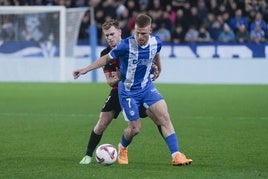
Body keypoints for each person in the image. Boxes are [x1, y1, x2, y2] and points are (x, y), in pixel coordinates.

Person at [73, 14, 192, 166]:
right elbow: (106, 60)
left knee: (164, 117)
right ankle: (122, 147)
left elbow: (156, 52)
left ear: (150, 30)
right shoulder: (125, 45)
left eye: (143, 33)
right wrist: (85, 69)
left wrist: (159, 68)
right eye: (137, 33)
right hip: (127, 92)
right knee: (135, 129)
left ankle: (176, 155)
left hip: (147, 87)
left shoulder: (157, 42)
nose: (140, 36)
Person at [79, 19, 162, 165]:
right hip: (118, 92)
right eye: (106, 36)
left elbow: (152, 55)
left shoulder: (134, 45)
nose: (109, 38)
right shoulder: (106, 53)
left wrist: (154, 67)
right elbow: (110, 81)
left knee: (159, 119)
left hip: (138, 91)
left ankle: (175, 154)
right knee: (102, 123)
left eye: (111, 34)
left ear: (119, 32)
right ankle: (88, 155)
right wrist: (122, 77)